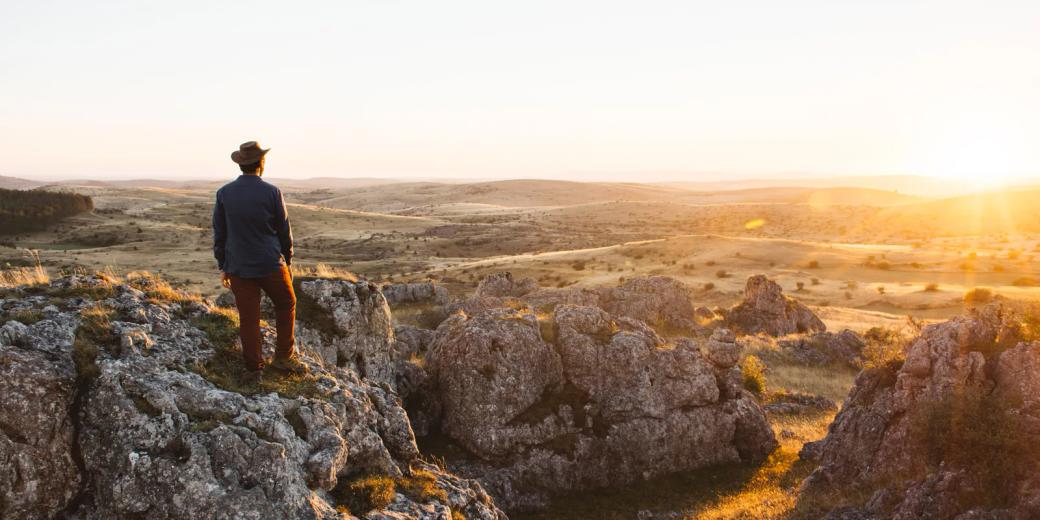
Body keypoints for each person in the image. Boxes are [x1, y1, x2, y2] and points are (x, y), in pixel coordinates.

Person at [212, 141, 308, 384]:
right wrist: (287, 259)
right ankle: (284, 358)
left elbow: (220, 233)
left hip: (239, 267)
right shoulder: (272, 192)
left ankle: (254, 369)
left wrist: (223, 265)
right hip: (270, 263)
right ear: (261, 163)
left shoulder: (224, 193)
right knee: (286, 303)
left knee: (249, 318)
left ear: (241, 164)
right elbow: (284, 231)